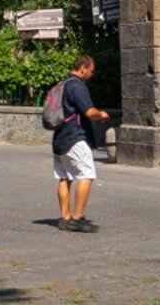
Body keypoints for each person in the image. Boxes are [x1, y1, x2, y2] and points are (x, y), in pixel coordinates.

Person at [47, 54, 108, 232]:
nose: (92, 74)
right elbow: (89, 112)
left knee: (64, 177)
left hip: (59, 138)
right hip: (75, 137)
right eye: (91, 70)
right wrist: (102, 114)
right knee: (86, 174)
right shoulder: (77, 86)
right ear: (83, 68)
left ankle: (65, 217)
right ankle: (77, 217)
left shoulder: (63, 84)